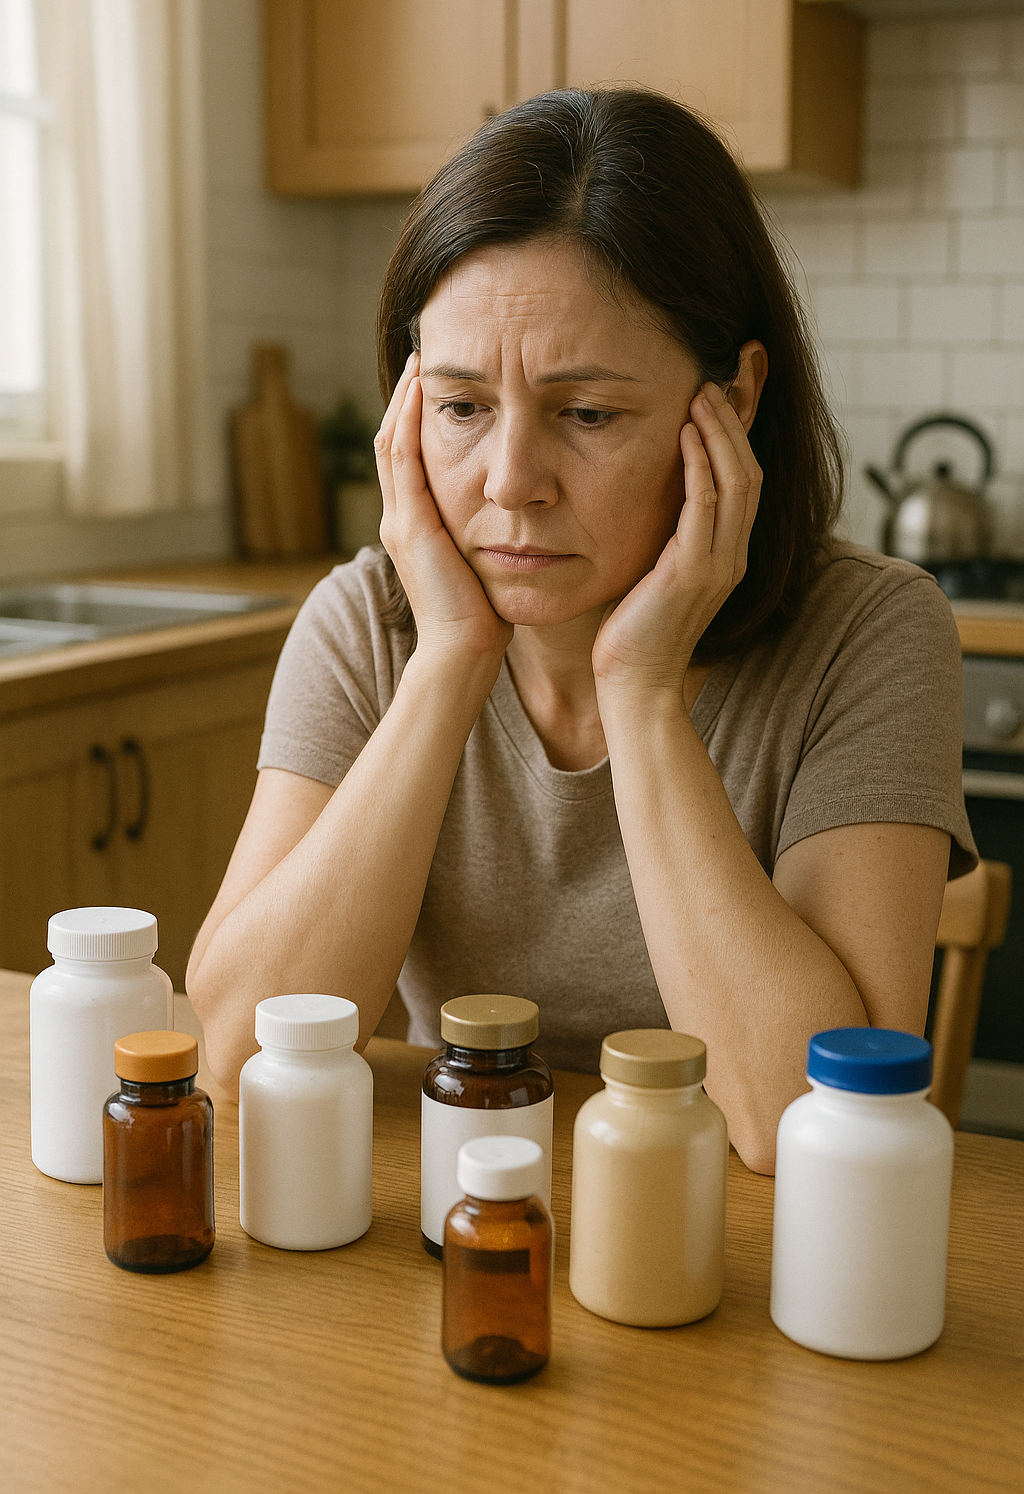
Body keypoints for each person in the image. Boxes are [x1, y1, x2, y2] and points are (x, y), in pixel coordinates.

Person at [186, 88, 975, 1174]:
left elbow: (810, 1120)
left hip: (740, 1241)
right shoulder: (365, 624)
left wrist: (640, 692)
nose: (510, 482)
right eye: (461, 407)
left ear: (736, 398)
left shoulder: (871, 633)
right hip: (454, 1210)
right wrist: (450, 661)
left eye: (588, 413)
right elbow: (235, 1054)